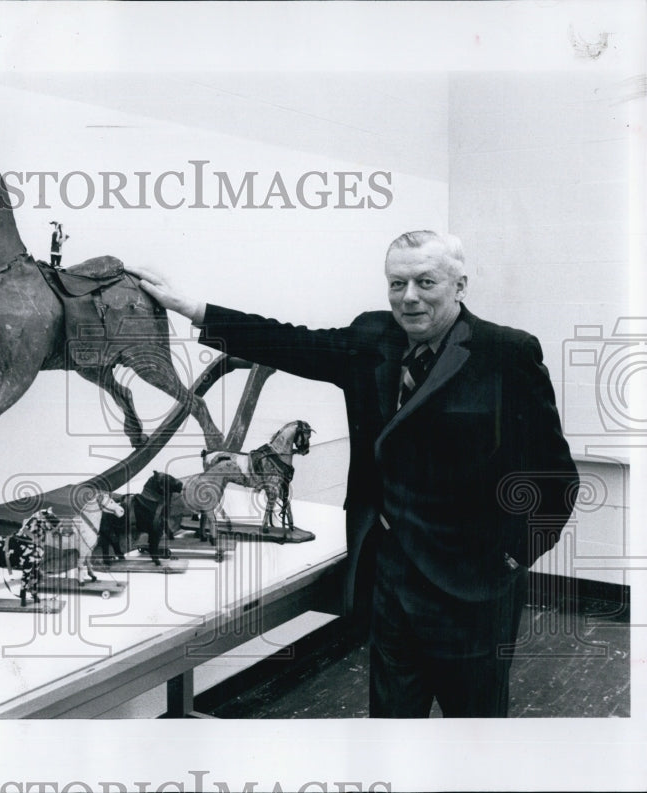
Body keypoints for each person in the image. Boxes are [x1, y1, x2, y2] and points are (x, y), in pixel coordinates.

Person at [126, 230, 578, 718]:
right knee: (390, 729)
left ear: (460, 285)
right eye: (396, 283)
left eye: (426, 282)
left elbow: (555, 479)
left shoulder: (505, 352)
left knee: (474, 735)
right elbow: (289, 341)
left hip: (472, 593)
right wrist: (193, 309)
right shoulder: (373, 338)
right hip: (390, 582)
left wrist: (509, 559)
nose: (409, 297)